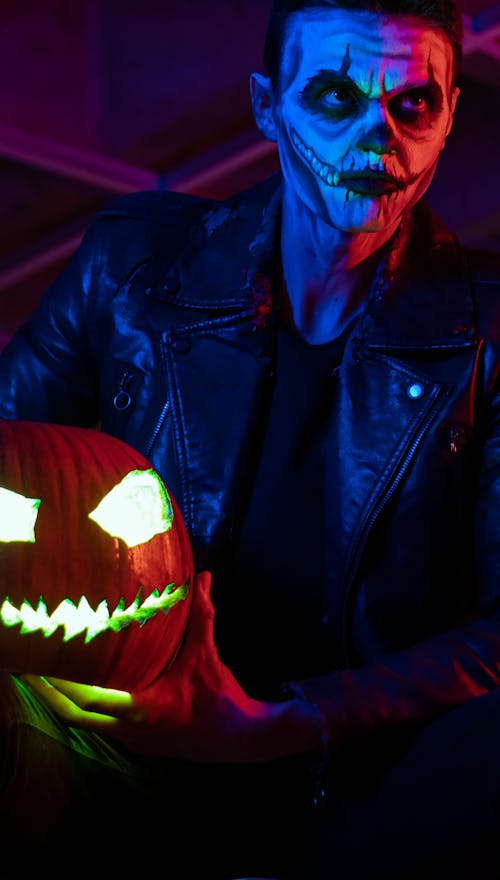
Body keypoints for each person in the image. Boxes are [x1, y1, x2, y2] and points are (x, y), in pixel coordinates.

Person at [0, 0, 500, 876]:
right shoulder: (130, 270)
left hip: (366, 788)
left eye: (412, 106)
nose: (374, 141)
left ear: (451, 113)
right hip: (112, 754)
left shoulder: (492, 331)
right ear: (267, 106)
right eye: (335, 98)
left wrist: (281, 725)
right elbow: (8, 457)